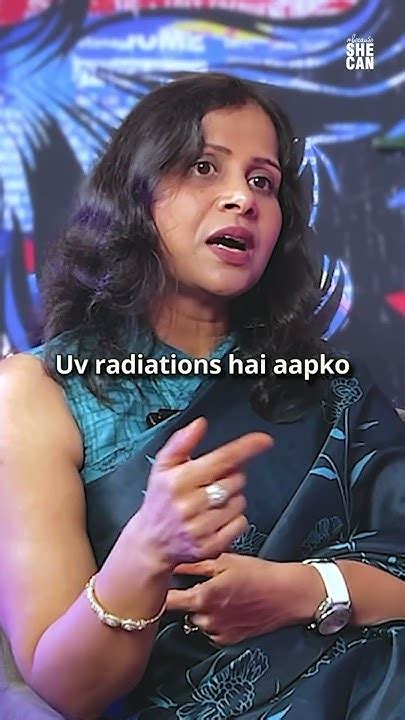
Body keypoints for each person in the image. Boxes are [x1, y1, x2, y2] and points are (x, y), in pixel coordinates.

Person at [0, 72, 404, 720]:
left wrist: (304, 589)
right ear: (135, 194)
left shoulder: (330, 384)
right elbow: (64, 688)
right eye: (203, 167)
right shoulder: (39, 391)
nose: (241, 198)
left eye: (262, 181)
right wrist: (147, 550)